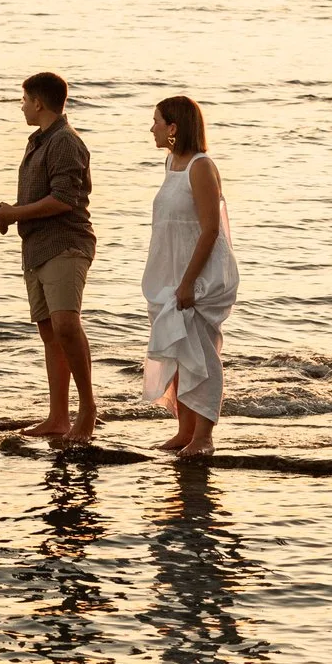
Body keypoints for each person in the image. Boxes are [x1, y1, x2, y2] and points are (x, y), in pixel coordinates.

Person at [0, 71, 97, 444]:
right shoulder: (38, 141)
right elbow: (42, 197)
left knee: (67, 325)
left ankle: (88, 411)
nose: (21, 106)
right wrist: (9, 213)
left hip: (66, 244)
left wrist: (15, 213)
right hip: (37, 248)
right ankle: (57, 417)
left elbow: (65, 199)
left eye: (23, 100)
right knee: (49, 332)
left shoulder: (64, 141)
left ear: (38, 102)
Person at [142, 95, 238, 458]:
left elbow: (210, 230)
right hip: (169, 272)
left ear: (174, 128)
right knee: (179, 349)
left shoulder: (201, 166)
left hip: (198, 275)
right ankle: (184, 430)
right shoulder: (171, 163)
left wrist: (188, 282)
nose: (152, 128)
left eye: (156, 121)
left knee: (201, 353)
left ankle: (204, 436)